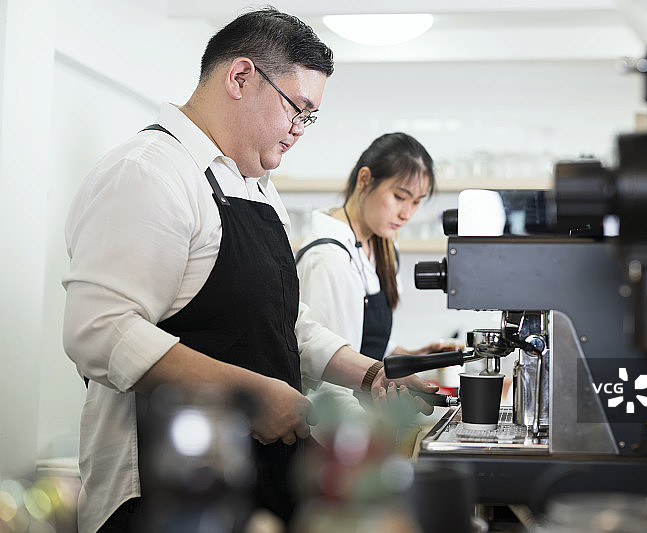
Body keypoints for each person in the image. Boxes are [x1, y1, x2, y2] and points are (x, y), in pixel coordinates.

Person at [62, 8, 436, 533]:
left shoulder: (256, 187)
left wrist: (370, 372)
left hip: (256, 479)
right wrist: (250, 393)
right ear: (240, 77)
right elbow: (99, 331)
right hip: (165, 492)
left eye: (310, 117)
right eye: (297, 109)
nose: (300, 130)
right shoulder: (148, 172)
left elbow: (285, 322)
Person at [295, 132, 446, 424]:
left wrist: (405, 356)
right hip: (340, 428)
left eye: (416, 202)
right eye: (399, 197)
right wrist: (370, 437)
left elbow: (363, 337)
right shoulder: (328, 258)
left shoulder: (381, 246)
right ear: (364, 179)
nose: (407, 213)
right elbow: (324, 382)